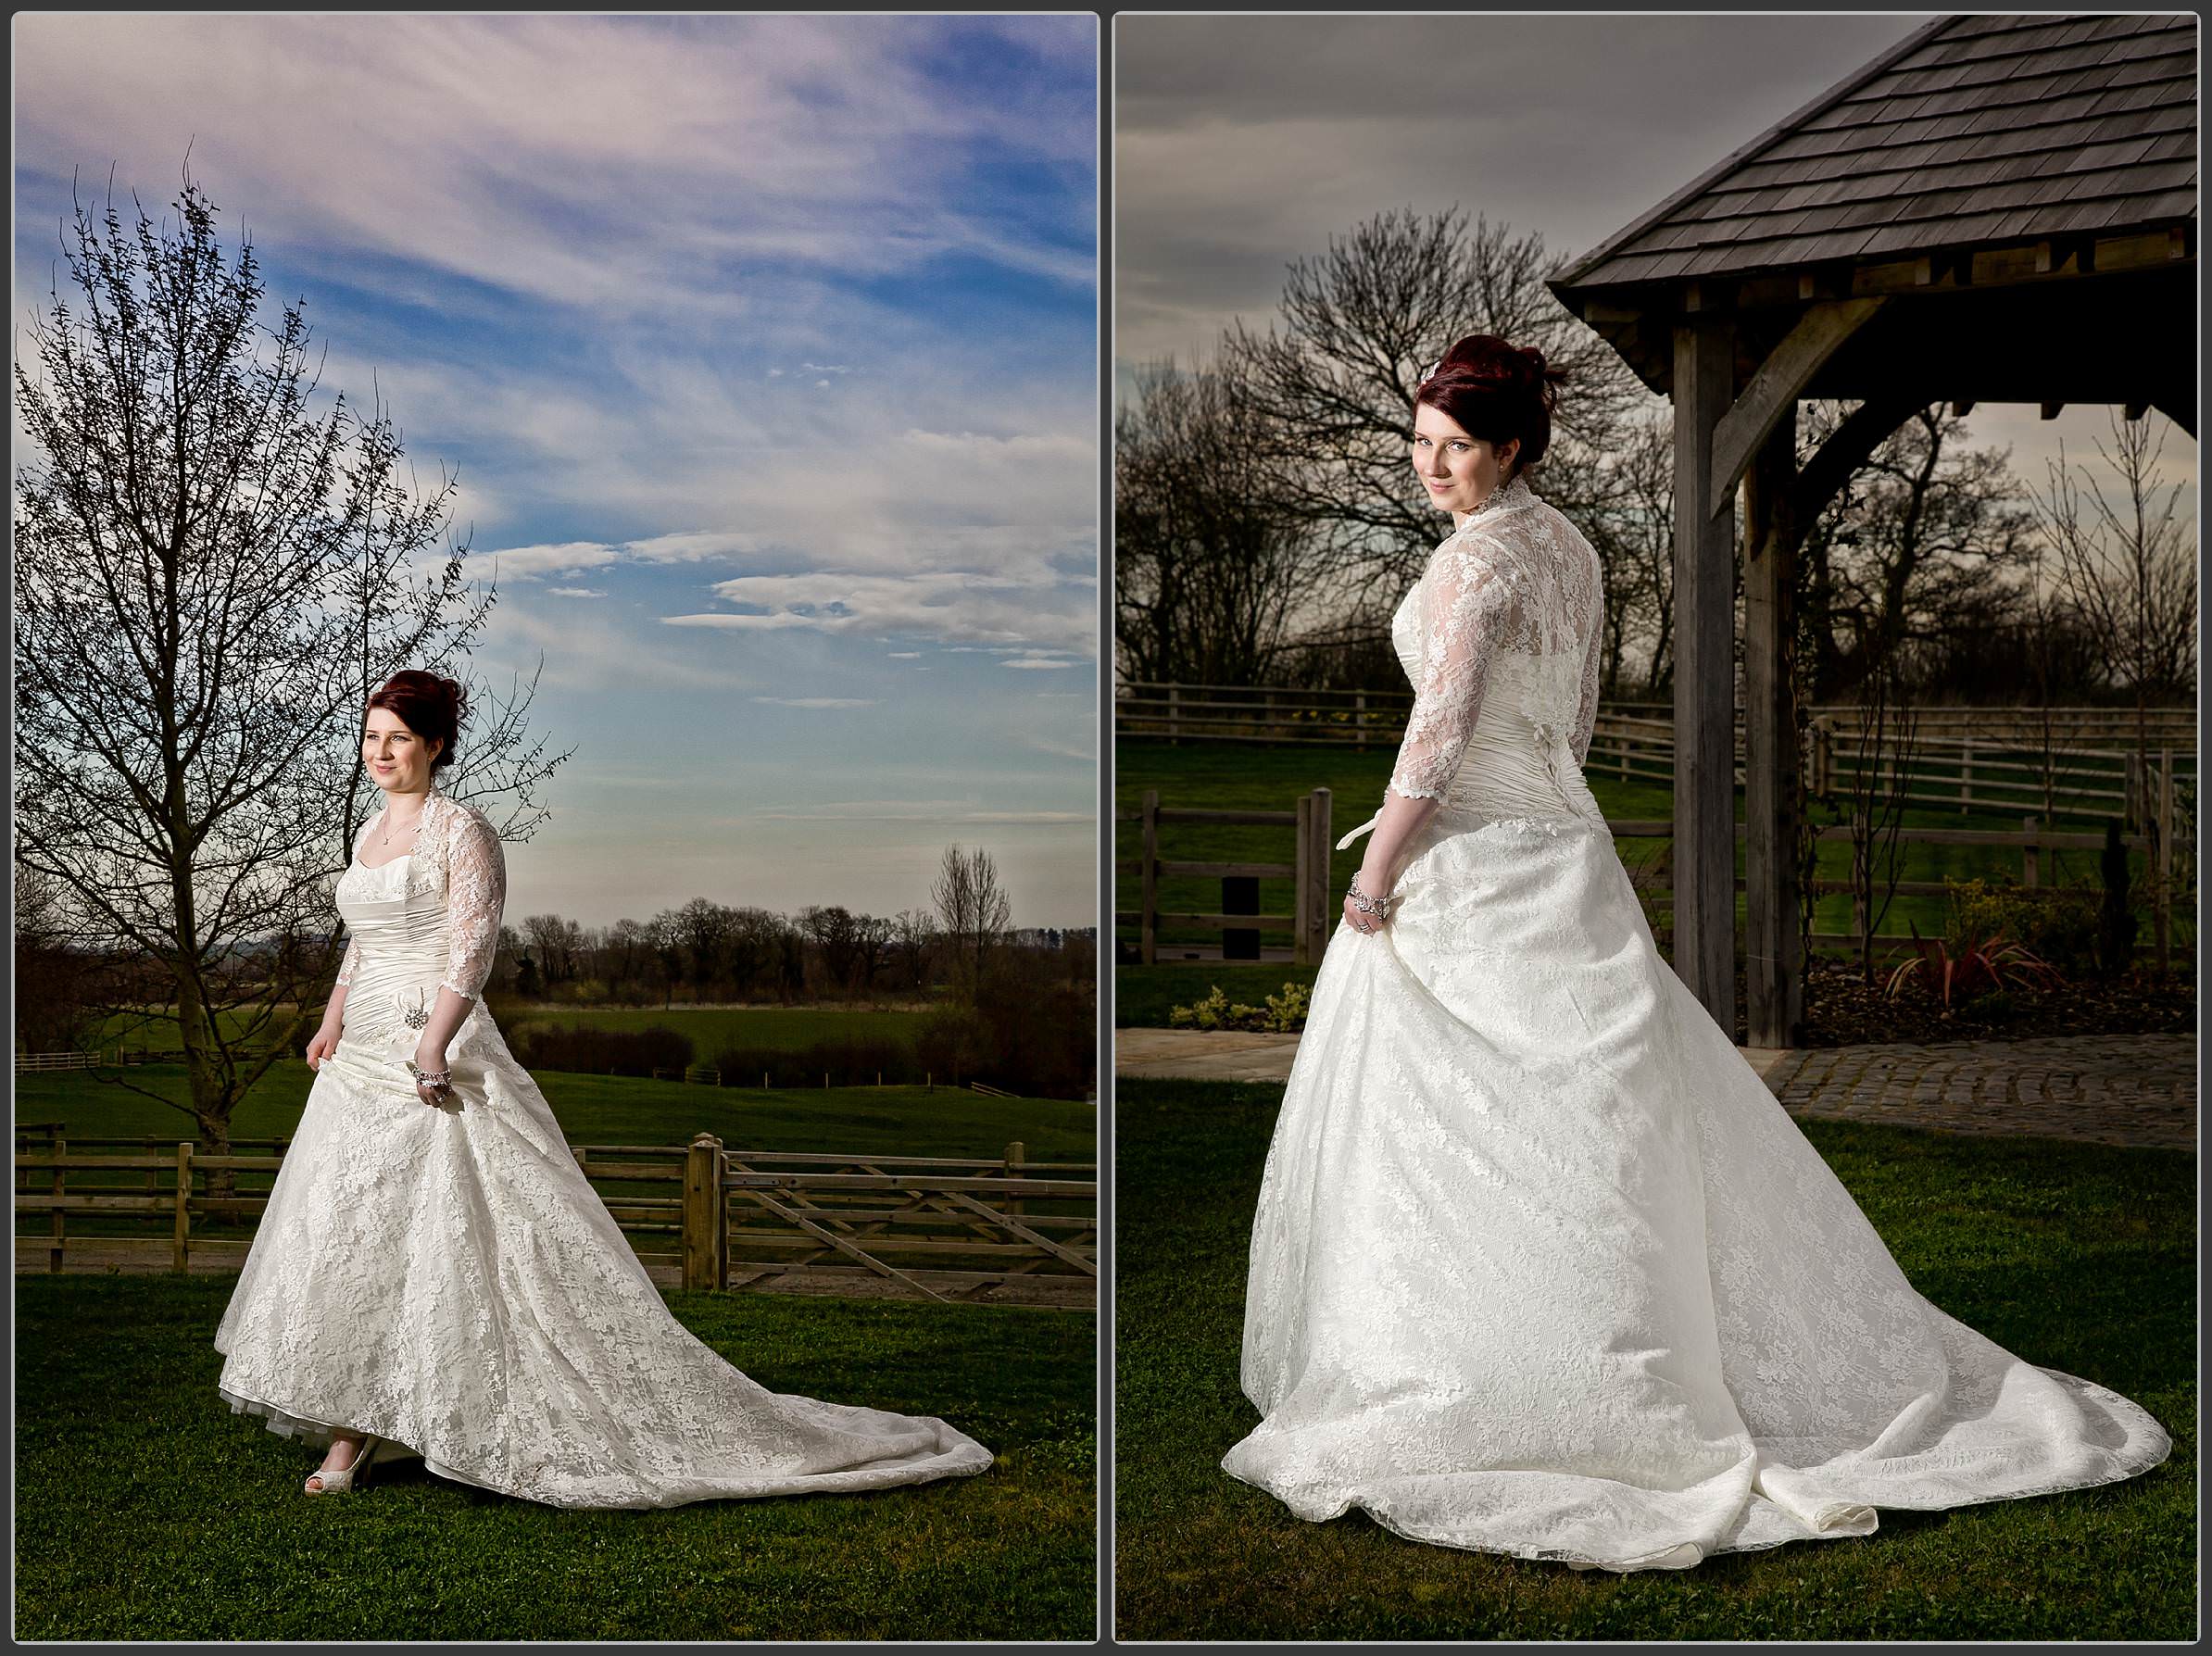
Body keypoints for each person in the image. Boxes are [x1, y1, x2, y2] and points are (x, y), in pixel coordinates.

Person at [1220, 334, 2169, 1572]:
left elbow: (1439, 735)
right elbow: (1570, 724)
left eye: (1455, 447)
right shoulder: (1570, 550)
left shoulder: (1469, 569)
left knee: (1467, 1129)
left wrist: (1377, 871)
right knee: (1597, 1121)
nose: (1431, 468)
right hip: (1567, 854)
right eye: (1420, 443)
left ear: (1512, 448)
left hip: (1476, 862)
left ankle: (1493, 1375)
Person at [214, 671, 991, 1504]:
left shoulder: (463, 832)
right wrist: (331, 1019)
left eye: (397, 739)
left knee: (446, 1239)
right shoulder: (369, 835)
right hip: (357, 1061)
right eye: (371, 738)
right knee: (350, 1237)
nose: (380, 754)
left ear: (435, 745)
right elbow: (359, 946)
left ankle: (439, 1412)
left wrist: (433, 1048)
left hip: (426, 1051)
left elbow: (470, 952)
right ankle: (356, 1425)